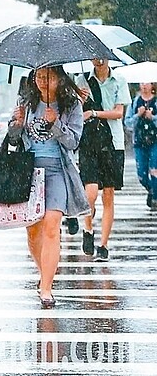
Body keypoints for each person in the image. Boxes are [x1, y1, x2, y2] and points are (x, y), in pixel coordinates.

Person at [8, 65, 89, 309]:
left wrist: (55, 123)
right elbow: (13, 139)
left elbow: (73, 142)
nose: (43, 81)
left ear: (59, 79)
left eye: (48, 77)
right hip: (29, 171)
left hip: (57, 171)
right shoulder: (27, 102)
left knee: (52, 226)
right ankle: (44, 272)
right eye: (39, 77)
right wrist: (17, 123)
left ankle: (46, 288)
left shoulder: (72, 105)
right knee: (33, 232)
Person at [75, 58, 132, 261]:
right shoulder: (81, 80)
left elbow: (118, 113)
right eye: (94, 56)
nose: (98, 59)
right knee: (89, 194)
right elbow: (75, 114)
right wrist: (80, 101)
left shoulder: (119, 80)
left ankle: (104, 245)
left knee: (108, 195)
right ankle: (88, 228)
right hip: (89, 143)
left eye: (102, 55)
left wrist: (94, 112)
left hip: (112, 143)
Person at [124, 82, 157, 208]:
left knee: (154, 170)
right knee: (142, 174)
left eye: (147, 83)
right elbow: (128, 123)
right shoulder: (134, 102)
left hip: (154, 141)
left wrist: (152, 117)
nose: (144, 86)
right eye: (142, 83)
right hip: (139, 142)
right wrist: (138, 115)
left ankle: (155, 198)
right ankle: (152, 190)